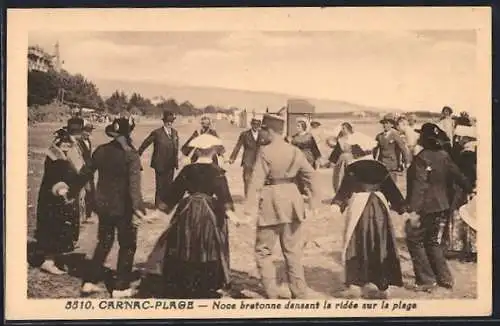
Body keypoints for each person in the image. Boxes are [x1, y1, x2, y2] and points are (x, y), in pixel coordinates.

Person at [143, 134, 237, 298]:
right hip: (209, 214)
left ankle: (184, 282)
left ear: (197, 150)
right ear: (214, 151)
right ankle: (206, 284)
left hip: (187, 210)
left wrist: (158, 213)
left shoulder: (188, 170)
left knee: (184, 245)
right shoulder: (218, 172)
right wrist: (234, 217)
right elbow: (224, 197)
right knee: (208, 246)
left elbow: (174, 193)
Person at [66, 117, 148, 298]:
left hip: (103, 206)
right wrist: (139, 209)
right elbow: (134, 187)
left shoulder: (101, 150)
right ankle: (121, 286)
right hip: (124, 208)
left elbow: (84, 174)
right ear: (129, 133)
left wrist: (71, 193)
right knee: (127, 245)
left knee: (104, 242)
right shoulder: (131, 155)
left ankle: (88, 282)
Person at [244, 114, 321, 299]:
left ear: (270, 130)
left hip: (270, 203)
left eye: (263, 129)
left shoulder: (265, 151)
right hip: (293, 202)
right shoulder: (294, 150)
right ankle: (299, 293)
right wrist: (314, 201)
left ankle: (271, 294)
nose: (262, 133)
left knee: (263, 251)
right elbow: (312, 176)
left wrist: (248, 209)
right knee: (293, 252)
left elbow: (256, 181)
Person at [405, 123, 474, 292]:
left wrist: (413, 210)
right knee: (432, 241)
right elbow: (457, 175)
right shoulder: (443, 155)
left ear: (424, 139)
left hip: (425, 207)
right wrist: (470, 188)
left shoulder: (422, 158)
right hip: (442, 205)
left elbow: (419, 186)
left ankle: (427, 280)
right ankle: (444, 278)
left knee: (414, 240)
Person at [330, 159, 407, 299]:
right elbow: (391, 189)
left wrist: (337, 203)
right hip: (379, 205)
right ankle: (381, 284)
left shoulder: (353, 167)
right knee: (380, 242)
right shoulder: (380, 166)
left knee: (356, 242)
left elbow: (345, 189)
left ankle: (356, 283)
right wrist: (402, 208)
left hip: (359, 205)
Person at [34, 127, 85, 275]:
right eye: (67, 144)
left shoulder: (58, 153)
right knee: (53, 228)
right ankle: (48, 262)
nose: (69, 146)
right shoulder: (57, 157)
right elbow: (57, 179)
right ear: (61, 142)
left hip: (54, 197)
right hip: (54, 198)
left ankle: (52, 258)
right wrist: (65, 194)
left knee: (57, 228)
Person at [137, 111, 179, 207]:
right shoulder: (157, 133)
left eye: (171, 121)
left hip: (170, 163)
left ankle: (166, 204)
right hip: (160, 163)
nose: (169, 123)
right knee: (160, 185)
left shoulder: (175, 133)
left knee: (169, 185)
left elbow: (176, 148)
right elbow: (145, 143)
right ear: (164, 121)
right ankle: (158, 205)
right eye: (168, 121)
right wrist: (138, 154)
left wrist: (176, 162)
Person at [228, 118, 263, 197]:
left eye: (257, 125)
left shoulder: (262, 134)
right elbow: (238, 146)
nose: (256, 126)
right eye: (254, 124)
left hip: (259, 159)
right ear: (251, 124)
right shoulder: (244, 134)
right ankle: (248, 197)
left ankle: (258, 197)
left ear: (260, 125)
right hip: (248, 159)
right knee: (247, 178)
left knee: (259, 179)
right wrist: (232, 158)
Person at [373, 113, 411, 183]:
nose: (385, 125)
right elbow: (376, 149)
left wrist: (406, 162)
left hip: (392, 163)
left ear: (392, 125)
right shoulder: (379, 136)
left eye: (387, 123)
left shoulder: (395, 135)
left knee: (392, 183)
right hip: (382, 163)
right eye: (384, 123)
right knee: (383, 183)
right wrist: (375, 161)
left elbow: (403, 148)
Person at [77, 122, 96, 222]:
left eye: (90, 131)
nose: (88, 133)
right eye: (86, 131)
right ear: (81, 131)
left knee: (90, 192)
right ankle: (81, 216)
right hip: (80, 170)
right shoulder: (77, 142)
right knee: (80, 193)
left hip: (88, 170)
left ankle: (88, 215)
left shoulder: (88, 140)